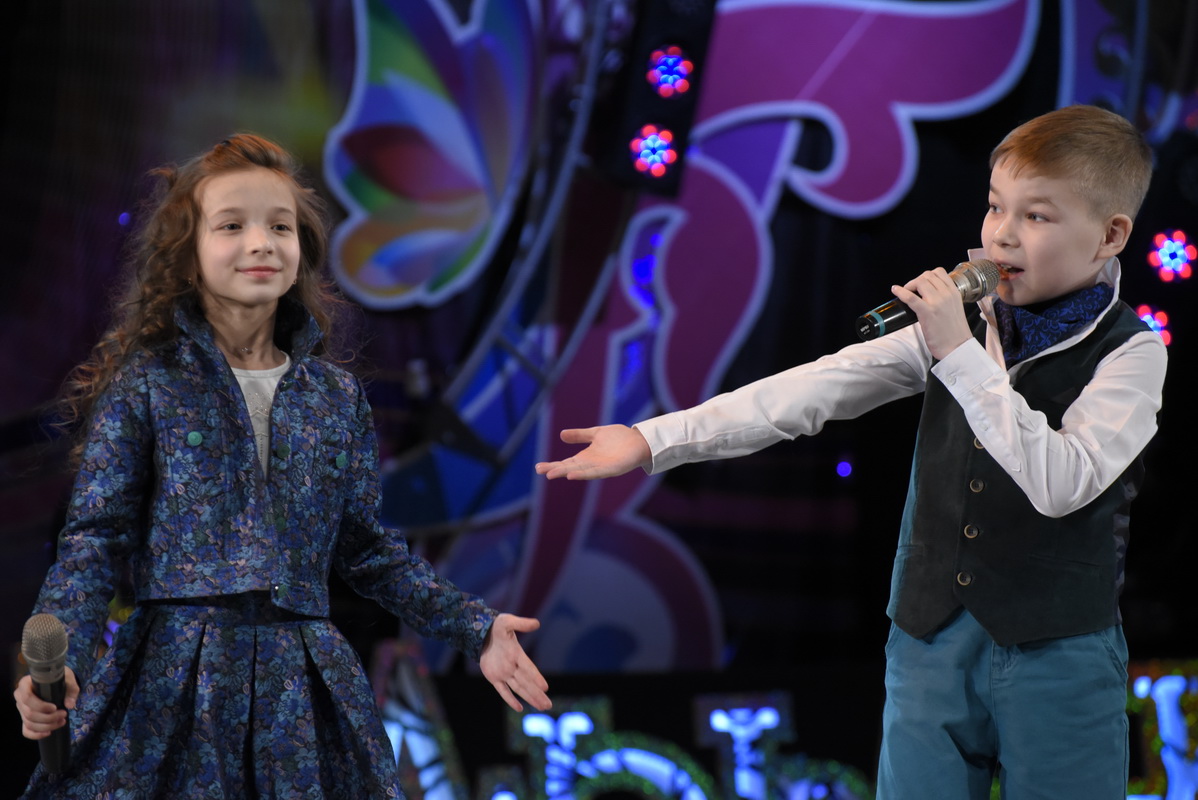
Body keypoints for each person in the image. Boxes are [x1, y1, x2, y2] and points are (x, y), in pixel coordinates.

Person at [535, 104, 1165, 798]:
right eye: (995, 207)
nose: (1002, 235)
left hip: (1059, 651)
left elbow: (1061, 482)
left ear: (1110, 235)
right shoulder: (963, 327)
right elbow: (815, 389)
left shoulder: (1131, 353)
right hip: (930, 637)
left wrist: (959, 353)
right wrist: (651, 438)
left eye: (1036, 216)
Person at [14, 133, 551, 798]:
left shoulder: (335, 397)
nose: (261, 243)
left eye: (280, 226)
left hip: (301, 688)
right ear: (188, 254)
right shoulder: (149, 385)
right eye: (231, 225)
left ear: (302, 253)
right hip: (173, 683)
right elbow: (94, 541)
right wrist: (60, 657)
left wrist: (477, 628)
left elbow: (367, 551)